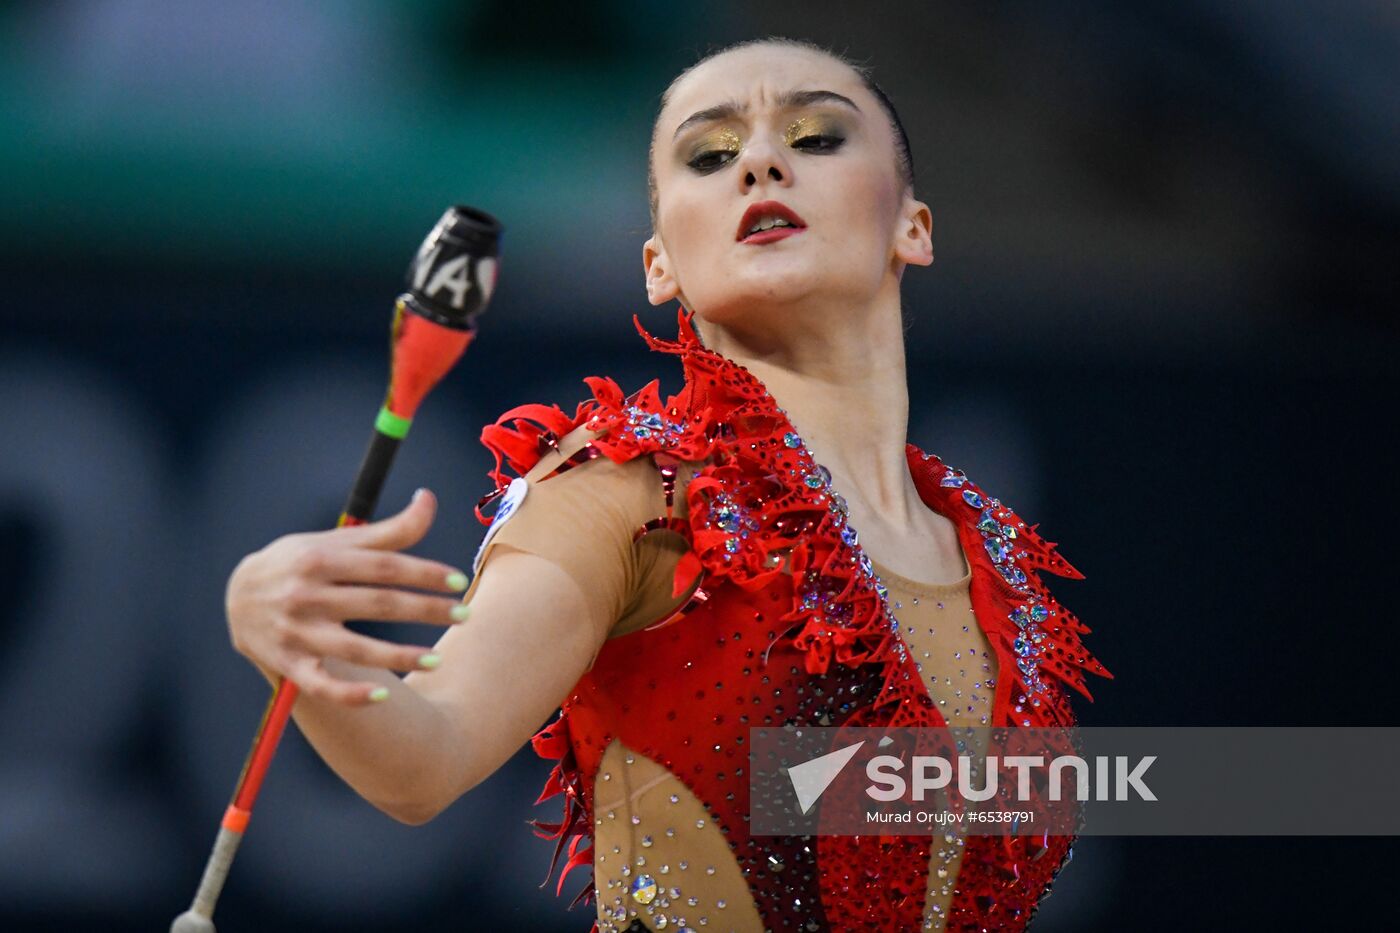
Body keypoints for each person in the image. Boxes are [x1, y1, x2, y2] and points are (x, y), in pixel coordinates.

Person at [225, 36, 1111, 932]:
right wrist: (293, 636)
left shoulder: (995, 560)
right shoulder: (634, 492)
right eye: (711, 154)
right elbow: (424, 755)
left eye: (815, 137)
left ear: (911, 226)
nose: (762, 160)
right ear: (660, 265)